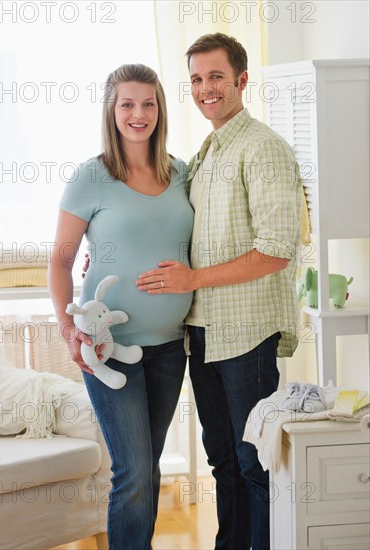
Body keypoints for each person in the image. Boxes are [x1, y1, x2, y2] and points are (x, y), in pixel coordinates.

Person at [136, 33, 302, 550]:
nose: (205, 88)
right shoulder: (206, 154)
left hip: (246, 336)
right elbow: (178, 232)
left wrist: (192, 280)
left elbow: (277, 249)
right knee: (224, 460)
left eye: (215, 77)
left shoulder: (264, 149)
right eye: (196, 80)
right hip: (202, 333)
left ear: (241, 81)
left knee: (255, 464)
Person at [48, 63, 194, 550]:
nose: (139, 113)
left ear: (160, 109)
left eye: (148, 103)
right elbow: (61, 261)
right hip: (107, 348)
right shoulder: (91, 177)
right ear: (112, 111)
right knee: (132, 471)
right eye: (127, 103)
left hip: (171, 346)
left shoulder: (182, 174)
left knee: (146, 467)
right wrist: (68, 330)